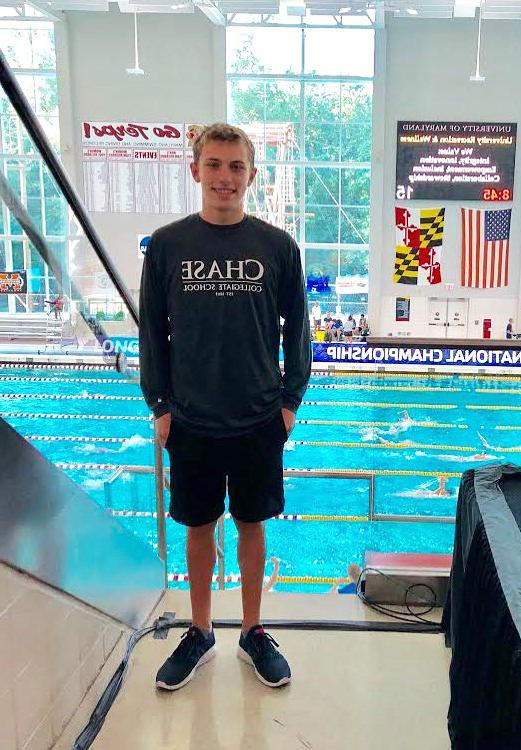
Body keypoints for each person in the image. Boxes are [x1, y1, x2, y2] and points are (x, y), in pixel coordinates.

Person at [139, 123, 311, 692]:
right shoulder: (166, 245)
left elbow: (299, 334)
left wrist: (289, 403)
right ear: (195, 171)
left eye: (236, 167)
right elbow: (150, 336)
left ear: (251, 176)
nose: (224, 177)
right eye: (213, 165)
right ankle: (201, 630)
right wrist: (159, 405)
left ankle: (255, 631)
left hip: (259, 416)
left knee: (253, 524)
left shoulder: (277, 247)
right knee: (197, 526)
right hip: (190, 416)